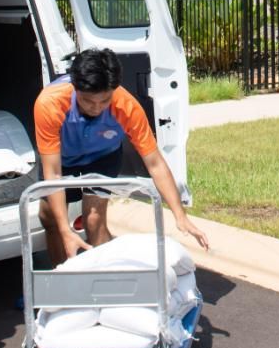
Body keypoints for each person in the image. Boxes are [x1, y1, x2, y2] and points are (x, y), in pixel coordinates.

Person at [34, 48, 210, 264]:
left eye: (105, 101)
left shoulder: (126, 106)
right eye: (89, 101)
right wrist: (64, 229)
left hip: (102, 156)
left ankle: (109, 282)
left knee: (94, 220)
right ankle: (61, 280)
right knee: (50, 218)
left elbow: (155, 163)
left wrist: (180, 215)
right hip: (61, 159)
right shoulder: (49, 103)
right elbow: (53, 172)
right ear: (75, 87)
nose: (97, 108)